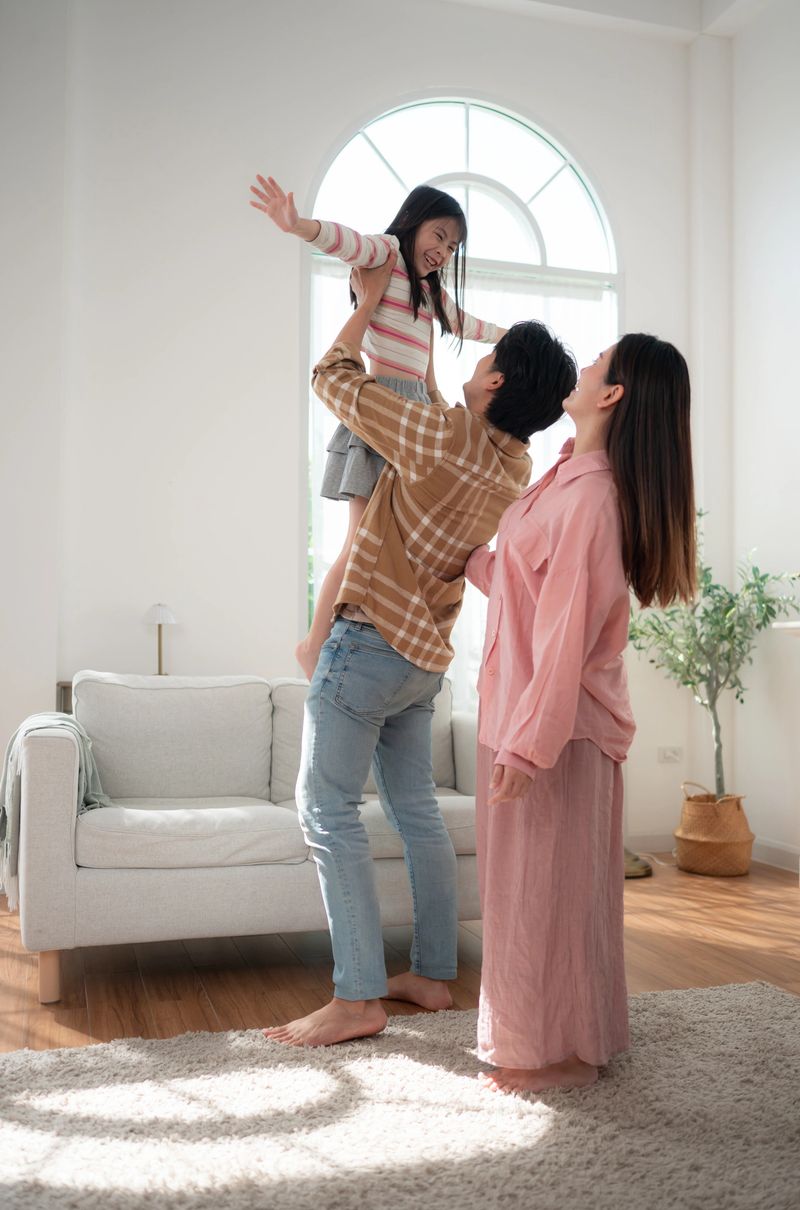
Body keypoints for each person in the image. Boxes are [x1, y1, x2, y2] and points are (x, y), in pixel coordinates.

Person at [262, 251, 577, 1047]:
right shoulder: (516, 467)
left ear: (499, 382)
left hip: (368, 649)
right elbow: (451, 424)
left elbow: (330, 375)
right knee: (415, 813)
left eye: (490, 359)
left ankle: (358, 996)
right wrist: (434, 357)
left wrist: (368, 305)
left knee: (326, 810)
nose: (479, 363)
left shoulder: (432, 436)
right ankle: (433, 975)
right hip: (426, 663)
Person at [466, 334, 696, 1094]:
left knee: (551, 893)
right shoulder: (564, 477)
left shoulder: (595, 498)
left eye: (599, 360)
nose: (586, 365)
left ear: (613, 396)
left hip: (557, 731)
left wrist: (527, 750)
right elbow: (527, 592)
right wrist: (462, 556)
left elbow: (565, 636)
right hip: (520, 712)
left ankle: (560, 1054)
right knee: (527, 890)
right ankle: (558, 1038)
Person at [249, 175, 506, 679]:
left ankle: (372, 638)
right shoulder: (385, 254)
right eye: (438, 236)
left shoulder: (429, 295)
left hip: (413, 417)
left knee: (390, 543)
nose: (443, 251)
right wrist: (297, 224)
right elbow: (343, 239)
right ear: (413, 224)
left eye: (452, 246)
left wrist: (511, 338)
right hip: (379, 411)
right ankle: (314, 642)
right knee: (358, 542)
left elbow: (465, 324)